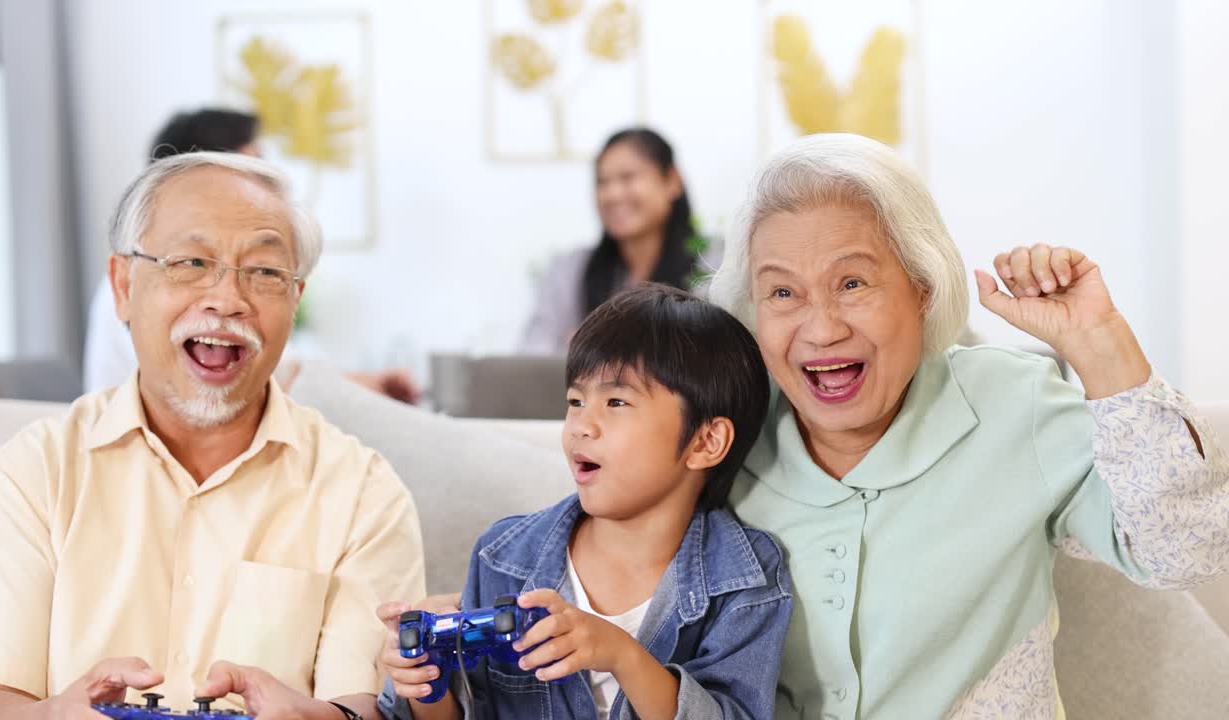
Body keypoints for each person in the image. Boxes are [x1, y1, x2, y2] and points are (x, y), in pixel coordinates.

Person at [708, 133, 1229, 718]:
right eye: (782, 292)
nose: (821, 328)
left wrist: (1102, 346)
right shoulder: (726, 436)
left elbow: (1187, 550)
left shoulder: (1011, 403)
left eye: (852, 283)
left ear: (922, 290)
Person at [0, 152, 426, 720]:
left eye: (266, 272)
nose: (226, 300)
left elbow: (364, 707)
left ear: (295, 300)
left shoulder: (363, 494)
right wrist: (55, 715)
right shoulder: (30, 474)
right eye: (191, 262)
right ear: (123, 285)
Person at [380, 285, 793, 719]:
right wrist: (424, 682)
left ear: (706, 441)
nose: (581, 425)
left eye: (616, 401)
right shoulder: (504, 557)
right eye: (576, 401)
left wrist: (623, 657)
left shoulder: (747, 577)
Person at [84, 108, 419, 402]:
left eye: (266, 272)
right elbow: (274, 378)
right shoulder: (143, 277)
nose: (227, 300)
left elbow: (279, 365)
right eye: (253, 167)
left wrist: (368, 384)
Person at [520, 128, 712, 354]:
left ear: (672, 181)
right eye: (602, 182)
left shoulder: (712, 267)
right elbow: (533, 356)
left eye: (627, 177)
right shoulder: (570, 270)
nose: (612, 194)